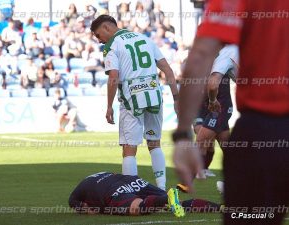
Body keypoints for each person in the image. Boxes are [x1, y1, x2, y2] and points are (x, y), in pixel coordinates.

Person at [172, 1, 289, 225]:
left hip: (265, 126)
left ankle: (205, 178)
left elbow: (201, 58)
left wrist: (181, 135)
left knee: (249, 216)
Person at [90, 15, 179, 191]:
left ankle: (131, 192)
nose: (100, 41)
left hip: (132, 99)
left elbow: (113, 77)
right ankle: (161, 189)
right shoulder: (145, 39)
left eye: (98, 35)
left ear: (107, 28)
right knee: (154, 143)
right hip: (154, 95)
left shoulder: (112, 46)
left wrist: (109, 106)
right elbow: (168, 70)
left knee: (129, 148)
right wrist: (176, 98)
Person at [68, 171, 221, 216]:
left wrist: (91, 211)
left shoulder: (76, 195)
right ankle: (220, 207)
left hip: (112, 190)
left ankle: (166, 198)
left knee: (138, 207)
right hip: (131, 180)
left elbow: (81, 207)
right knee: (171, 203)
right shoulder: (95, 177)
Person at [194, 44, 239, 179]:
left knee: (201, 138)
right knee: (225, 143)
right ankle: (238, 171)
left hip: (220, 107)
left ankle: (199, 171)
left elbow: (213, 86)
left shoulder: (221, 61)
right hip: (207, 107)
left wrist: (212, 101)